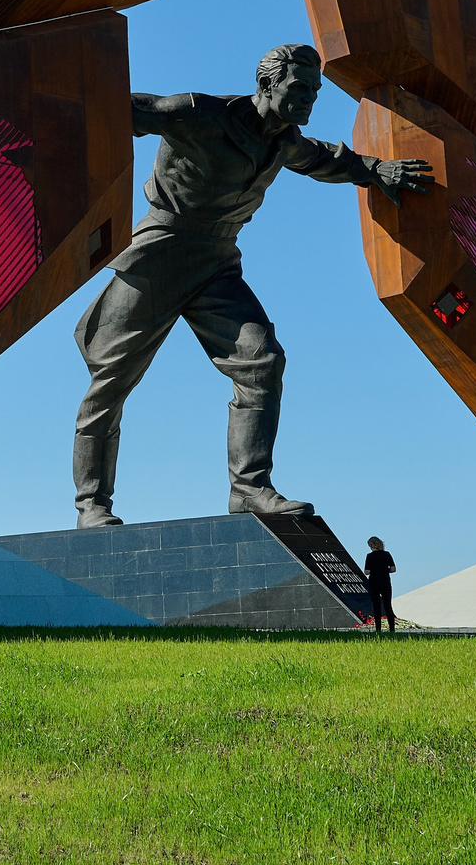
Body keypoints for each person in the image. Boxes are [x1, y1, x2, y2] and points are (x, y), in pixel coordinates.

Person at [68, 45, 434, 527]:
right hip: (160, 253)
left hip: (218, 263)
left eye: (315, 91)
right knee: (111, 381)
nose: (310, 99)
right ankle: (92, 504)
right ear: (266, 85)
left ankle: (250, 489)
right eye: (299, 88)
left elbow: (324, 159)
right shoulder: (199, 113)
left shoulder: (282, 140)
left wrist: (374, 169)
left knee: (263, 361)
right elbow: (120, 111)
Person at [364, 536, 399, 632]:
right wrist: (384, 570)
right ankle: (392, 629)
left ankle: (378, 629)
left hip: (374, 583)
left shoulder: (369, 556)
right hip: (385, 582)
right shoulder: (387, 554)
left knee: (376, 607)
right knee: (388, 606)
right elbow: (393, 569)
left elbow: (366, 572)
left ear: (371, 546)